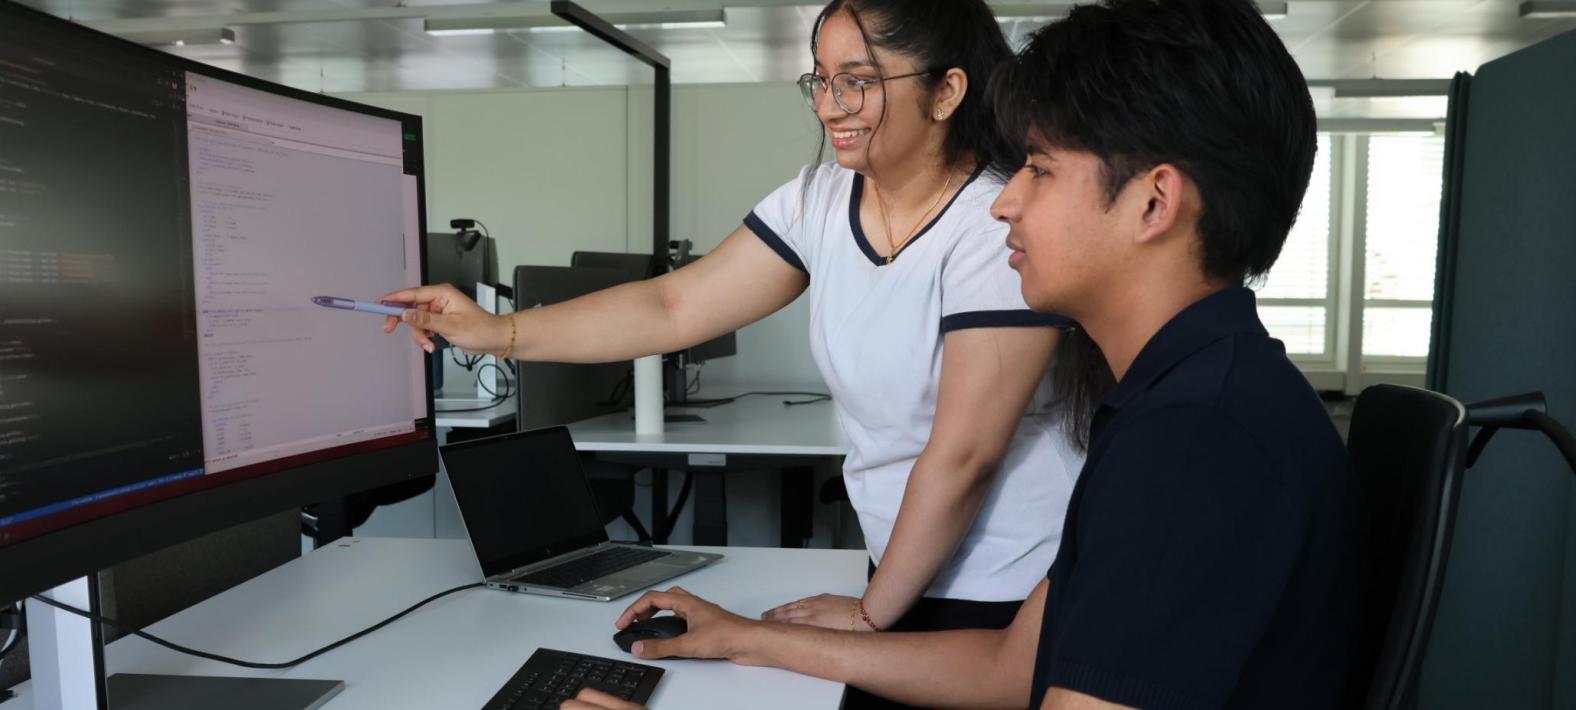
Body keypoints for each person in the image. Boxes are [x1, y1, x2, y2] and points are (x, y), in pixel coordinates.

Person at [563, 0, 1364, 708]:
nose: (1006, 200)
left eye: (1041, 171)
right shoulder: (1176, 399)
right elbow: (1012, 669)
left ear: (1154, 201)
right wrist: (746, 638)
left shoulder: (1196, 447)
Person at [386, 4, 1108, 702]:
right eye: (820, 79)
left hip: (999, 586)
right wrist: (496, 332)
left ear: (946, 90)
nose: (831, 106)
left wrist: (869, 616)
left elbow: (963, 459)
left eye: (859, 80)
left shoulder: (993, 227)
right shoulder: (820, 201)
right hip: (899, 568)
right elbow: (673, 305)